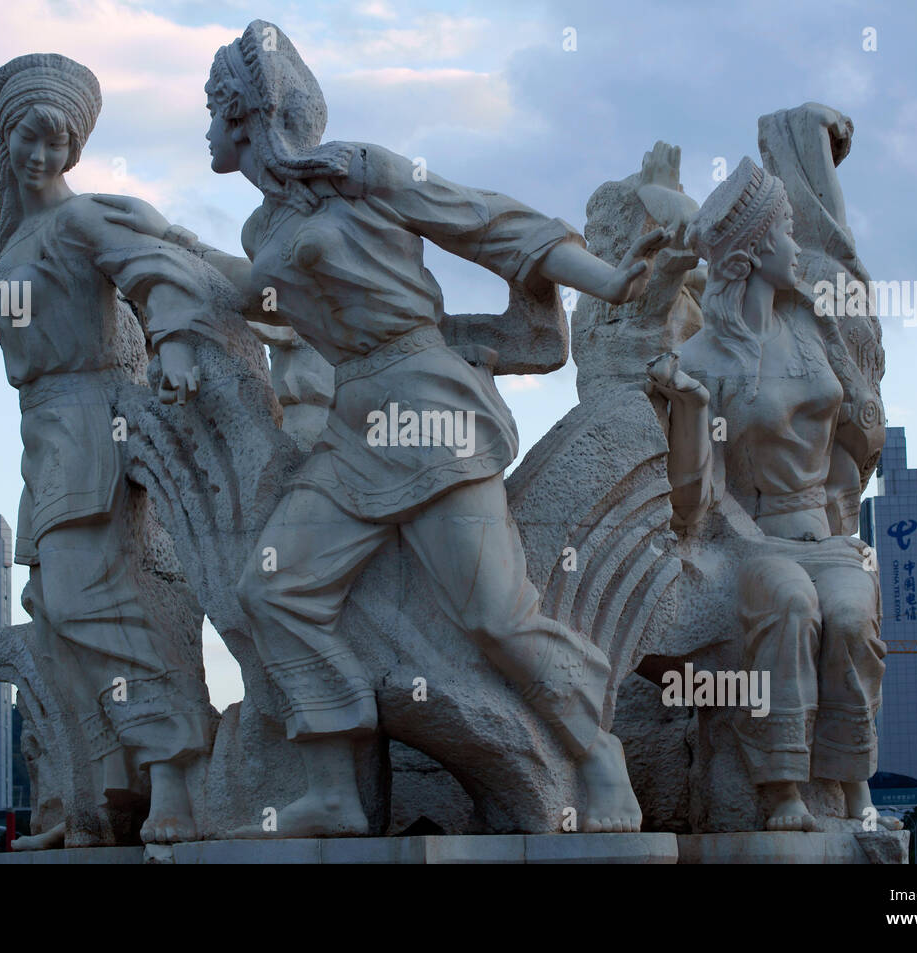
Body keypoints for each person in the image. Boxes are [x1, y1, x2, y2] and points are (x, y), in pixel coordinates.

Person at [101, 20, 672, 835]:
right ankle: (335, 785)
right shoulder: (261, 233)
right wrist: (172, 252)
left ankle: (595, 757)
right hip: (355, 425)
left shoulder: (361, 174)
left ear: (247, 115)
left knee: (497, 616)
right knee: (275, 588)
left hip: (431, 410)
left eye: (211, 108)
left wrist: (610, 283)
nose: (203, 127)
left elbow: (489, 223)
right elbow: (255, 302)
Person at [0, 53, 220, 845]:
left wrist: (177, 346)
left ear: (75, 148)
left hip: (88, 416)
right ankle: (94, 797)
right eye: (29, 136)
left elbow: (156, 270)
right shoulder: (16, 238)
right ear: (6, 136)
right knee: (53, 608)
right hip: (41, 427)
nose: (42, 155)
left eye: (58, 141)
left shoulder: (81, 221)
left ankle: (178, 772)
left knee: (91, 600)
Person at [649, 156, 898, 831]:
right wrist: (693, 410)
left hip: (827, 532)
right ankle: (782, 784)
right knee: (789, 604)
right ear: (753, 252)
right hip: (749, 541)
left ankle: (850, 784)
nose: (796, 248)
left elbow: (857, 423)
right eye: (785, 233)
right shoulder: (702, 360)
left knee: (850, 615)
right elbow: (689, 498)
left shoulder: (814, 331)